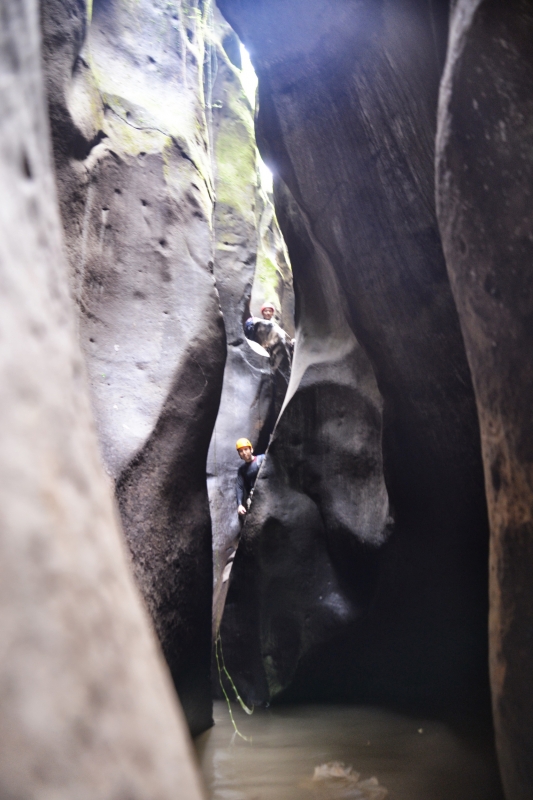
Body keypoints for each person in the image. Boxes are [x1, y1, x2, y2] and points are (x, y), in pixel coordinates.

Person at [235, 438, 265, 517]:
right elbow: (239, 487)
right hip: (255, 498)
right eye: (241, 451)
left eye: (246, 449)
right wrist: (240, 505)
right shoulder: (242, 470)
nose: (244, 453)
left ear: (251, 449)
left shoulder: (262, 459)